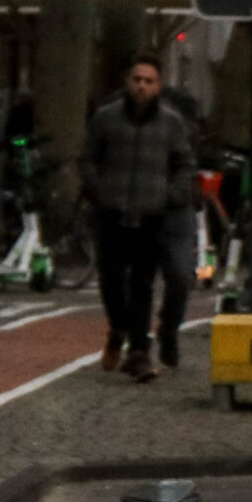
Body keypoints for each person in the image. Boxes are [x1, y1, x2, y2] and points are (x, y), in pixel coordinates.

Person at [82, 54, 196, 379]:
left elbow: (184, 163)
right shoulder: (106, 119)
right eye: (137, 79)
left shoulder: (171, 123)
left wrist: (169, 196)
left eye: (149, 81)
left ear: (159, 86)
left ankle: (139, 351)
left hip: (150, 214)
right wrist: (99, 191)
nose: (142, 86)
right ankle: (118, 327)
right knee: (111, 279)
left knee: (143, 283)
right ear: (127, 82)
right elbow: (88, 157)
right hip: (112, 213)